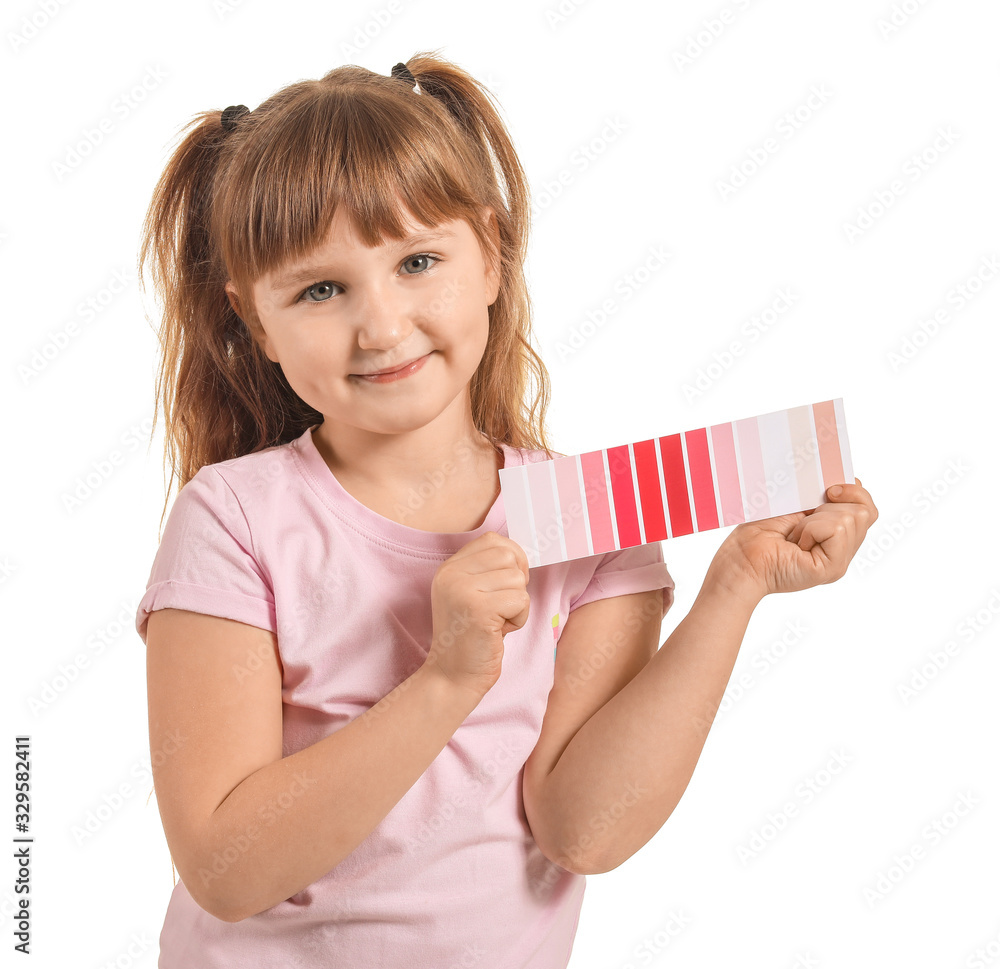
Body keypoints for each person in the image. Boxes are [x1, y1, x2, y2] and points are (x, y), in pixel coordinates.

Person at [134, 51, 878, 969]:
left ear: (489, 255)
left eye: (418, 261)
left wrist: (734, 586)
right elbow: (225, 868)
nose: (381, 324)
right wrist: (447, 678)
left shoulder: (592, 515)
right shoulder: (234, 518)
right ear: (253, 320)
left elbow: (582, 832)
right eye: (321, 288)